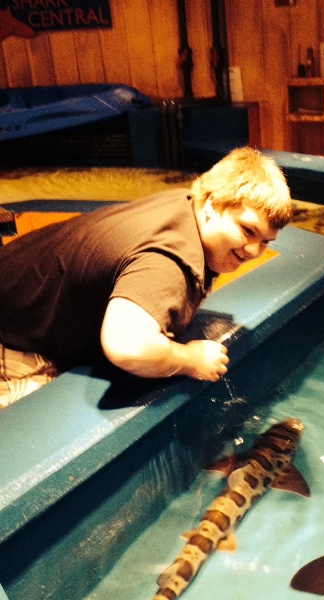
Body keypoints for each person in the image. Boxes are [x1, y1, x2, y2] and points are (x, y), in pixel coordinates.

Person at [0, 147, 292, 408]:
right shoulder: (169, 262)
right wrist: (189, 359)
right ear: (212, 205)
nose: (254, 250)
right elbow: (127, 345)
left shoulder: (186, 204)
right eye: (247, 230)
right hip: (11, 336)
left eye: (266, 241)